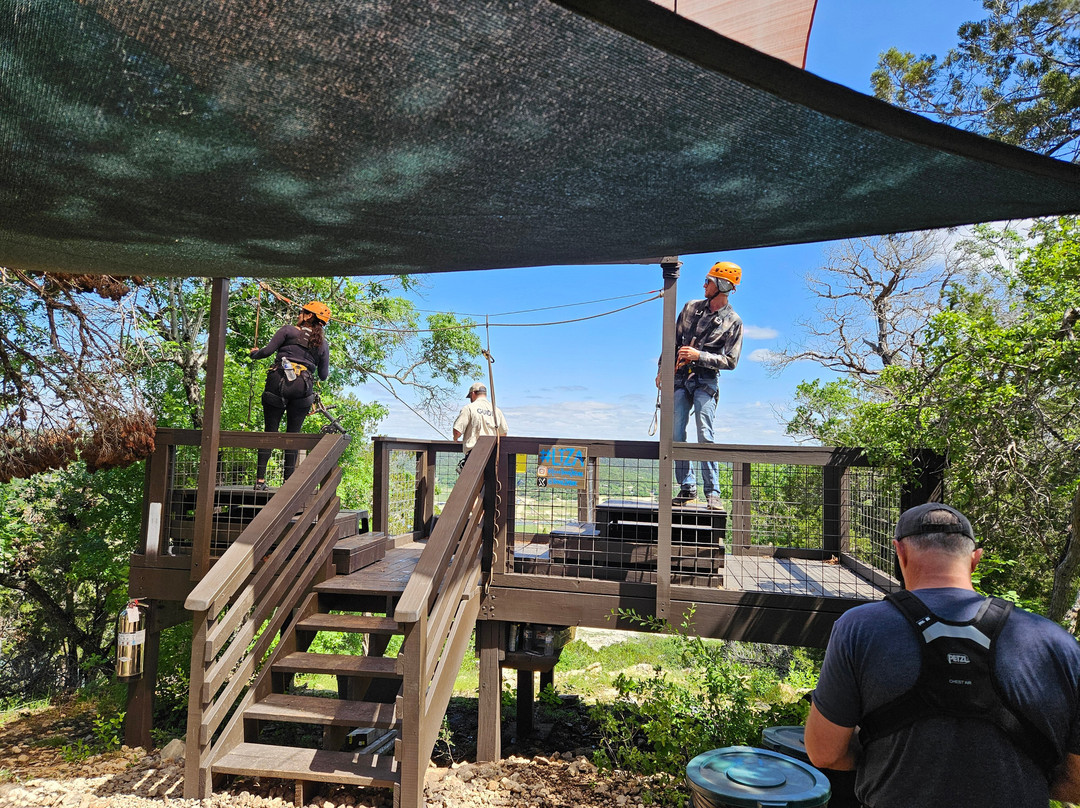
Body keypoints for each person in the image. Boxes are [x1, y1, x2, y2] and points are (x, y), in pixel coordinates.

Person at [805, 502, 1080, 808]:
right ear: (975, 559)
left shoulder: (857, 629)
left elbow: (824, 752)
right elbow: (1077, 783)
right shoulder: (1060, 646)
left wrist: (877, 755)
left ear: (900, 553)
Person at [655, 261, 743, 510]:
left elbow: (731, 361)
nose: (704, 284)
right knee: (676, 434)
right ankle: (687, 487)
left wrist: (699, 356)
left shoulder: (733, 322)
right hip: (681, 377)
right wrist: (662, 370)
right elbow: (671, 341)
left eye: (709, 281)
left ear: (722, 286)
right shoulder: (690, 308)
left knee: (705, 433)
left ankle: (713, 493)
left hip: (706, 380)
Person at [249, 301, 331, 490]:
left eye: (302, 312)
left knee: (270, 431)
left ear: (309, 316)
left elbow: (267, 352)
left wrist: (255, 353)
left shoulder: (287, 331)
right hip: (303, 387)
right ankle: (287, 483)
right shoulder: (322, 344)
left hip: (278, 383)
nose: (299, 314)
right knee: (293, 435)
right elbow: (323, 376)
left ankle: (260, 481)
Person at [452, 382, 507, 471]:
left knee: (471, 483)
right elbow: (503, 433)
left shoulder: (469, 408)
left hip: (474, 454)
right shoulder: (496, 410)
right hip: (492, 454)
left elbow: (457, 430)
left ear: (473, 393)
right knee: (490, 483)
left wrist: (455, 438)